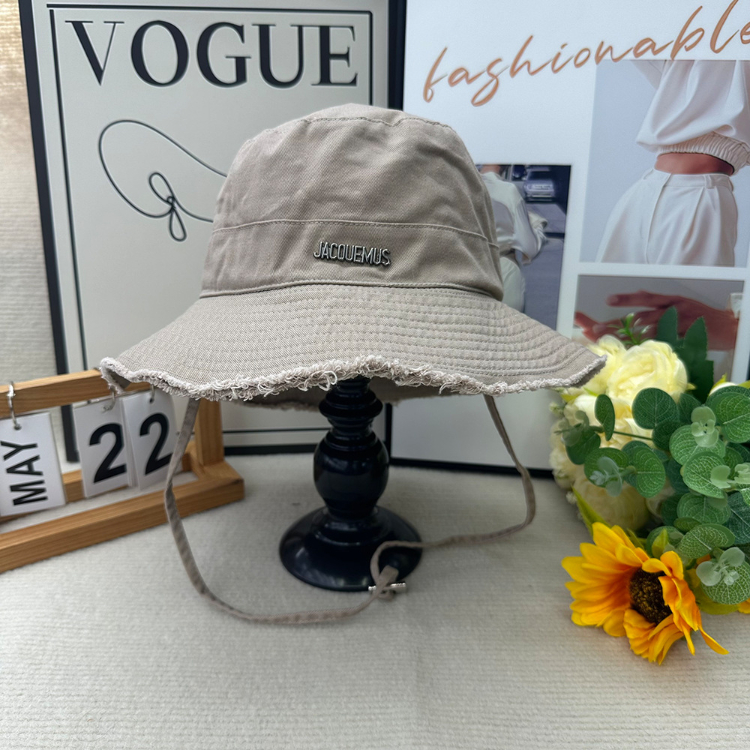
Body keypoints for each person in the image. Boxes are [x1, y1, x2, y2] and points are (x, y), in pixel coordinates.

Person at [596, 60, 750, 267]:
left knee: (690, 289)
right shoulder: (689, 44)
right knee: (604, 286)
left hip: (697, 195)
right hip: (645, 193)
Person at [478, 165, 547, 311]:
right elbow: (530, 247)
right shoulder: (507, 192)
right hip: (503, 273)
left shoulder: (457, 188)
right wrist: (537, 225)